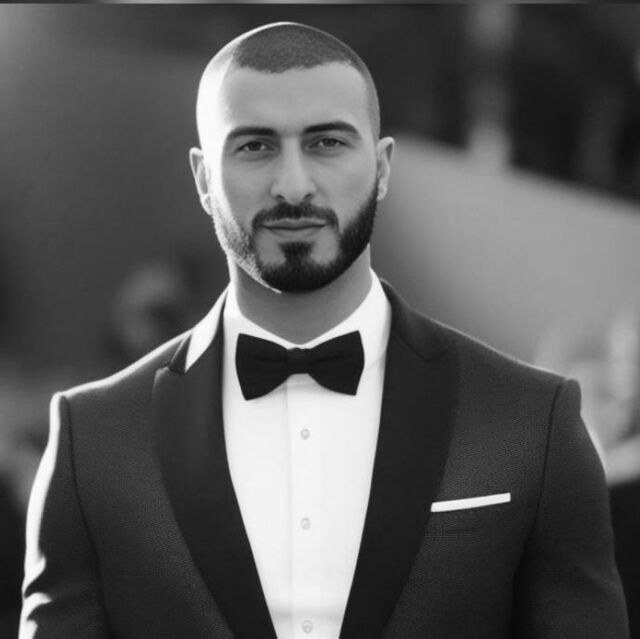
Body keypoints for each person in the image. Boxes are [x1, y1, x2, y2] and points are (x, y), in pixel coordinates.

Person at [20, 22, 629, 639]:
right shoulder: (92, 442)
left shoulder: (533, 423)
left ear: (383, 167)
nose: (293, 185)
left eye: (327, 143)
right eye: (255, 146)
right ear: (204, 179)